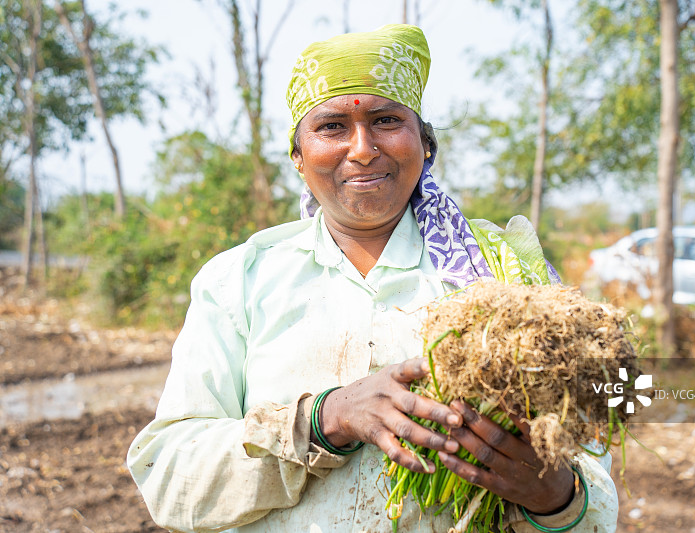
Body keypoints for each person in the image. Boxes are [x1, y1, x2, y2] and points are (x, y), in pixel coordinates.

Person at [128, 24, 618, 533]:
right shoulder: (240, 281)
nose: (362, 149)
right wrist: (326, 420)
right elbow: (168, 478)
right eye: (332, 127)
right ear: (298, 157)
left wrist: (555, 497)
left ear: (424, 144)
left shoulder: (502, 274)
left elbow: (593, 476)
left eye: (386, 120)